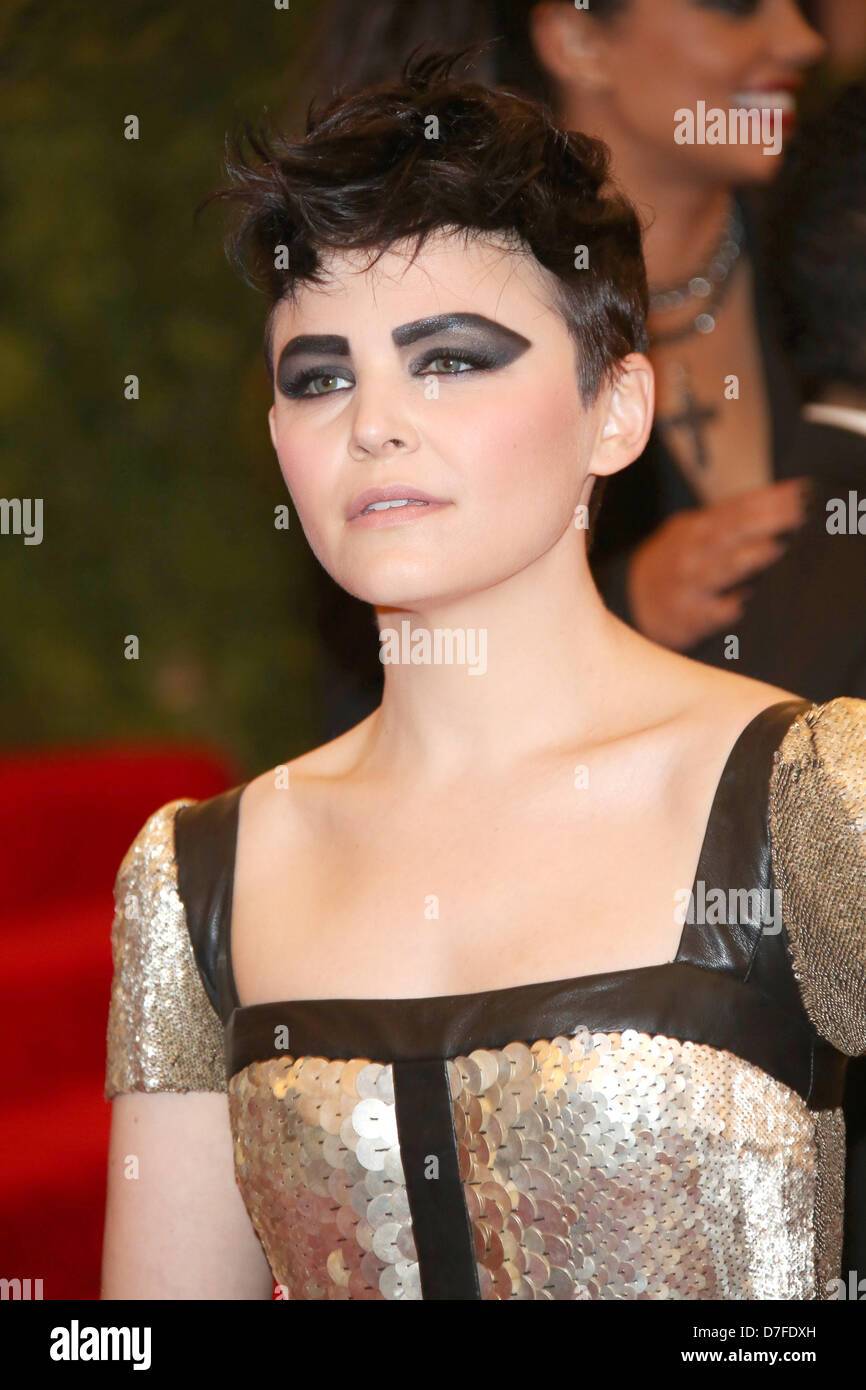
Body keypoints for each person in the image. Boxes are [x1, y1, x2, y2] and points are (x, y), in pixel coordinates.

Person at [101, 52, 866, 1300]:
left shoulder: (814, 794)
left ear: (614, 410)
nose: (372, 422)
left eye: (448, 357)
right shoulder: (198, 876)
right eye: (321, 375)